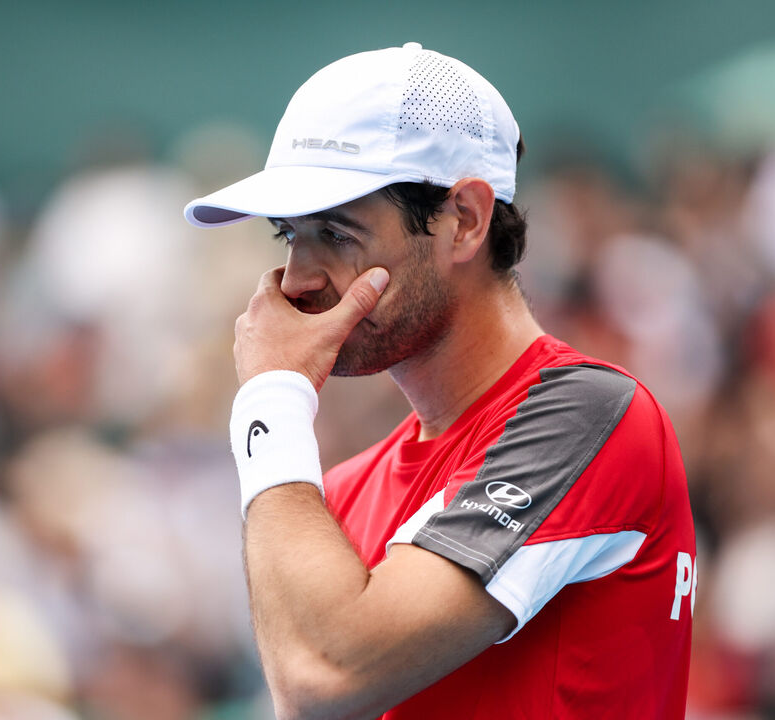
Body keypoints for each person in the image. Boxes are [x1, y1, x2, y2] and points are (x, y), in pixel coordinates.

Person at [184, 43, 695, 719]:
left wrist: (272, 398)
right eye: (288, 235)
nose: (299, 278)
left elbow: (325, 673)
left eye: (336, 233)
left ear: (466, 221)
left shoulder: (592, 414)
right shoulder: (333, 497)